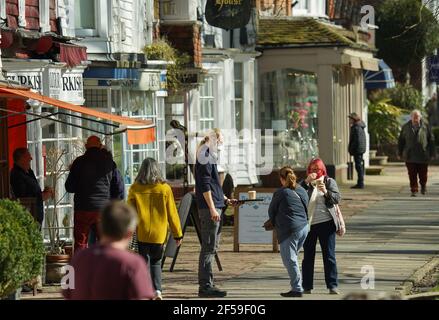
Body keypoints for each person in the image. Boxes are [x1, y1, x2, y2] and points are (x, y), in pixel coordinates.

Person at [62, 201, 155, 300]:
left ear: (101, 227)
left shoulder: (77, 259)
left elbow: (68, 294)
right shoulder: (133, 263)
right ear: (129, 233)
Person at [127, 158, 183, 300]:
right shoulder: (165, 189)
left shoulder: (135, 188)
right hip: (159, 234)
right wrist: (178, 234)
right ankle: (157, 290)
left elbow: (129, 213)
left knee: (142, 262)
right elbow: (172, 213)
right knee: (156, 262)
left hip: (142, 232)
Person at [195, 128, 239, 298]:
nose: (221, 143)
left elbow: (213, 187)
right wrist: (213, 208)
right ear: (211, 138)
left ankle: (208, 283)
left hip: (215, 205)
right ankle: (205, 286)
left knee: (212, 247)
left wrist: (226, 199)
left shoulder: (209, 155)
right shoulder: (204, 155)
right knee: (208, 247)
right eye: (220, 139)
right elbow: (205, 186)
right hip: (209, 209)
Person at [65, 136, 125, 253]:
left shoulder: (78, 162)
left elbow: (69, 187)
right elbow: (118, 187)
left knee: (80, 243)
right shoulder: (109, 163)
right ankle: (105, 269)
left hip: (83, 208)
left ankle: (81, 269)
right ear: (100, 145)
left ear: (86, 146)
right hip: (103, 210)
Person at [300, 158, 344, 295]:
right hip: (309, 224)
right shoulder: (305, 184)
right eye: (312, 169)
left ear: (322, 170)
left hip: (326, 223)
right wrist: (306, 182)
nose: (314, 172)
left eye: (317, 169)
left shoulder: (329, 182)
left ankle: (332, 285)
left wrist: (325, 192)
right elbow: (296, 197)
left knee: (329, 255)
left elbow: (337, 198)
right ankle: (307, 286)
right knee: (308, 256)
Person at [267, 166, 309, 298]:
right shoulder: (302, 190)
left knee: (289, 260)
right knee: (292, 258)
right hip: (304, 228)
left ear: (281, 178)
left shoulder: (281, 192)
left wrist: (272, 221)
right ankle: (297, 286)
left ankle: (297, 288)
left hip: (289, 229)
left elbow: (271, 211)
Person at [10, 147, 53, 225]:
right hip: (28, 220)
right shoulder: (16, 175)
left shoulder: (29, 172)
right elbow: (22, 198)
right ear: (22, 159)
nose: (31, 158)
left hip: (35, 218)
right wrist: (42, 196)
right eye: (28, 156)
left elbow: (34, 192)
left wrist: (44, 193)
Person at [398, 110, 435, 197]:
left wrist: (432, 153)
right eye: (414, 116)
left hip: (423, 155)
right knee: (412, 174)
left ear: (420, 117)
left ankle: (423, 186)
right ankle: (414, 189)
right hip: (410, 155)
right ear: (411, 117)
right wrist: (400, 153)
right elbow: (401, 141)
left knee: (423, 174)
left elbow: (431, 141)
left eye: (417, 116)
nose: (415, 118)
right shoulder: (405, 127)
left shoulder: (426, 127)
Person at [348, 112, 367, 189]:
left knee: (358, 166)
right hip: (359, 149)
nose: (349, 121)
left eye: (350, 119)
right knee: (359, 166)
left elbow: (357, 140)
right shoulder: (358, 127)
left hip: (357, 150)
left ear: (353, 119)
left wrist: (352, 149)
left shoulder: (357, 127)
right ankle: (360, 182)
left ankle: (360, 183)